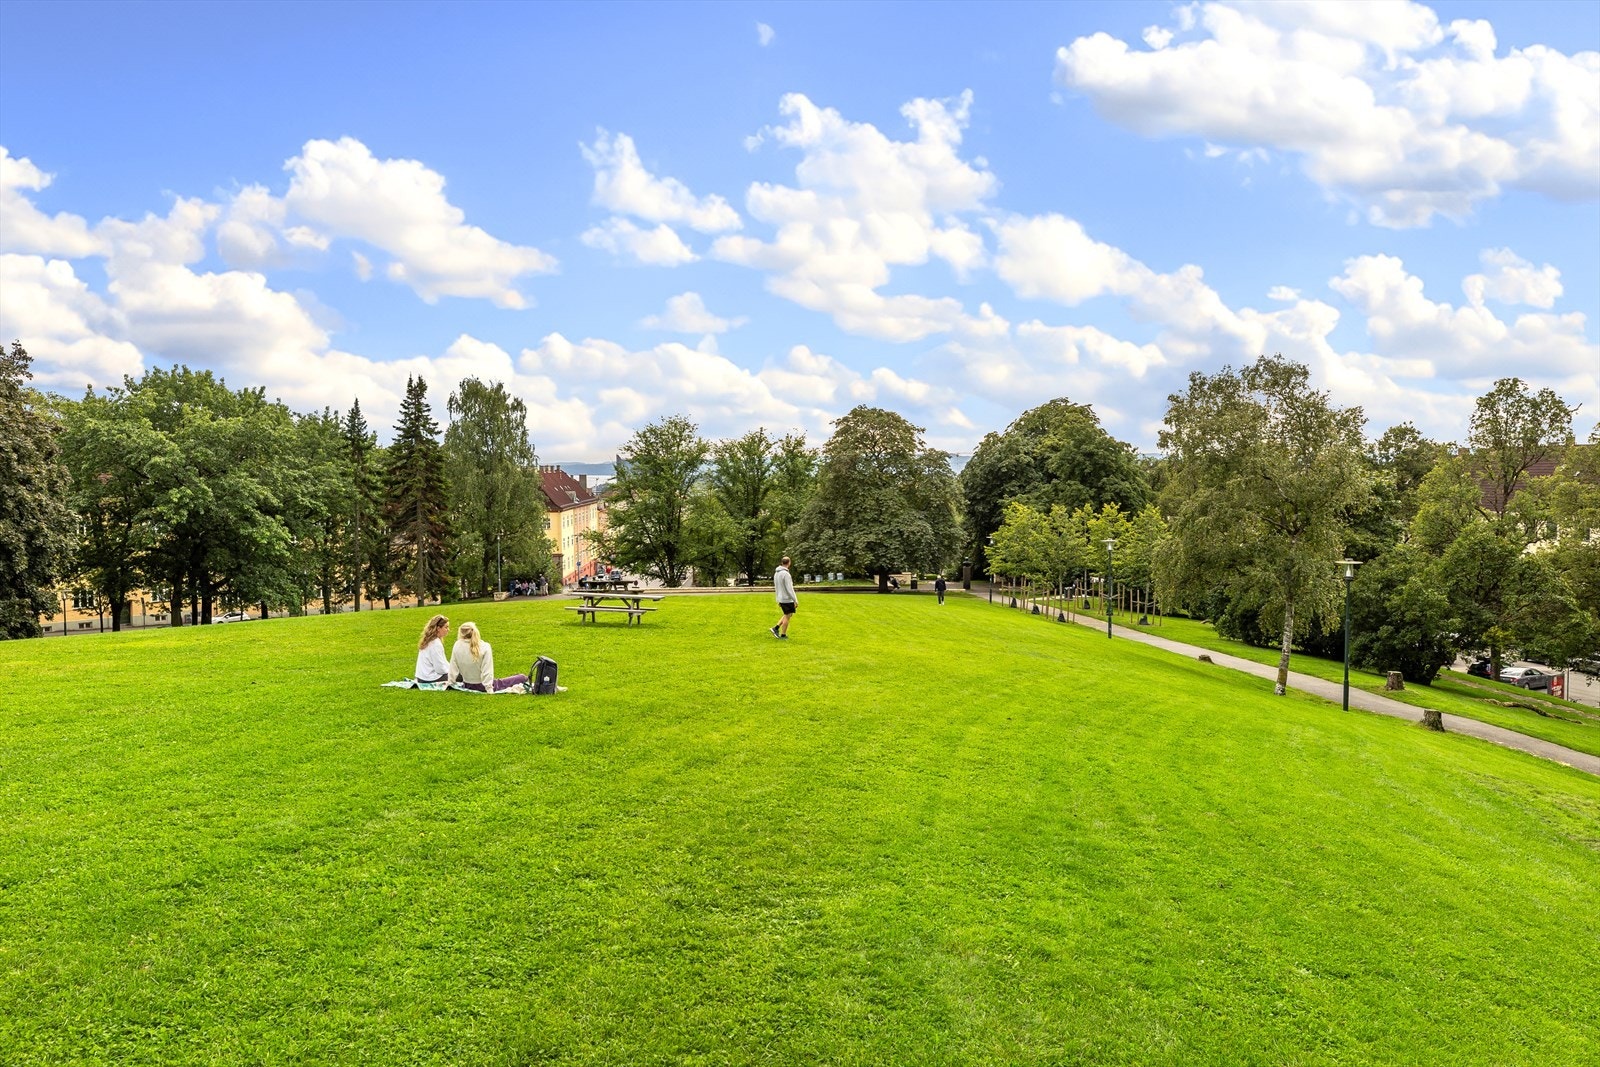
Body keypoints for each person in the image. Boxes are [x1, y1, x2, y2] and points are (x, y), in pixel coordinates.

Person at [449, 621, 529, 692]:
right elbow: (487, 670)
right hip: (482, 686)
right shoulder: (484, 646)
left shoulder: (457, 645)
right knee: (521, 677)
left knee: (512, 678)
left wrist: (451, 683)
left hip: (467, 684)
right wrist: (489, 688)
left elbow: (453, 667)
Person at [415, 613, 451, 683]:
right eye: (446, 627)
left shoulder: (428, 640)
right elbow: (440, 669)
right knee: (462, 676)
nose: (448, 630)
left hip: (422, 677)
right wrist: (451, 672)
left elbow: (443, 662)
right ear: (438, 628)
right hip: (430, 678)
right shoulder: (435, 644)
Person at [770, 556, 797, 639]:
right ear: (789, 563)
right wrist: (795, 599)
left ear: (782, 562)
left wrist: (778, 598)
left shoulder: (776, 573)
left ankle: (776, 628)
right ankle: (783, 634)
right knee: (788, 616)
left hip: (781, 597)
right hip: (786, 599)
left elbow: (777, 587)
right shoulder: (786, 574)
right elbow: (790, 589)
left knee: (788, 614)